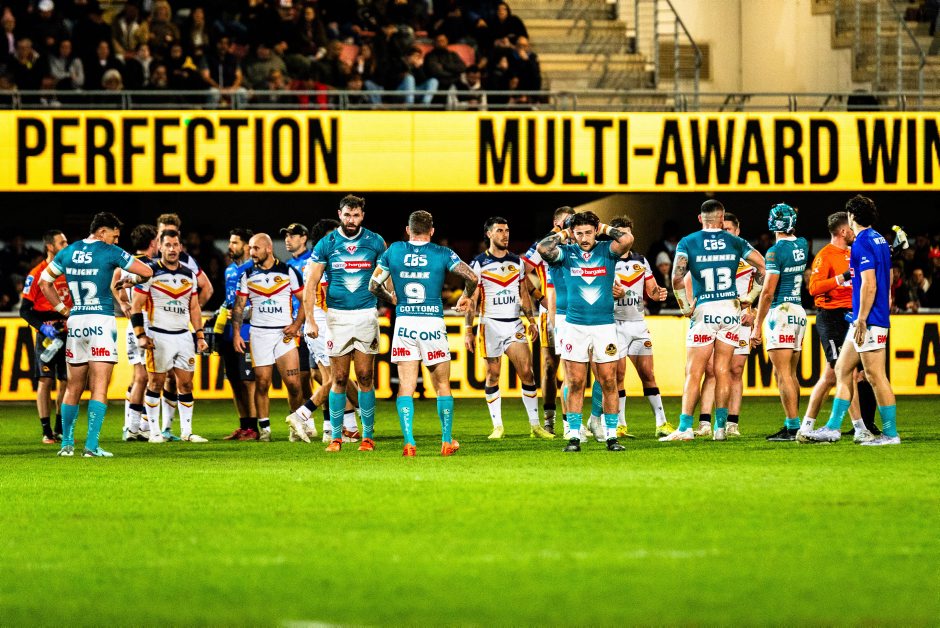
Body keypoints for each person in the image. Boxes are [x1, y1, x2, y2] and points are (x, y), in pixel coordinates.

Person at [38, 212, 154, 457]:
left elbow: (44, 283)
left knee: (73, 386)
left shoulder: (68, 251)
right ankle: (91, 446)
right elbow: (147, 271)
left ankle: (66, 444)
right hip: (101, 321)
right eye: (115, 235)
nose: (116, 240)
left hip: (76, 322)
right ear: (102, 232)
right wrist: (130, 281)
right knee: (99, 386)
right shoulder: (110, 252)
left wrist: (63, 310)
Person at [369, 210, 479, 456]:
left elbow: (374, 285)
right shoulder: (442, 253)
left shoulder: (394, 250)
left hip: (405, 323)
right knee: (442, 385)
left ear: (408, 230)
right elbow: (472, 277)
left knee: (406, 386)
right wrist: (465, 296)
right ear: (432, 231)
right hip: (432, 323)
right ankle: (446, 441)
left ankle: (409, 442)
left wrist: (391, 298)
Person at [661, 200, 765, 442]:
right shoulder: (736, 241)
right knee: (722, 370)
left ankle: (685, 428)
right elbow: (763, 266)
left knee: (694, 372)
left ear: (700, 218)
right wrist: (749, 298)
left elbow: (676, 278)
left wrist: (685, 307)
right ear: (721, 218)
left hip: (705, 309)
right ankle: (720, 428)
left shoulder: (688, 241)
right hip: (730, 310)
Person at [801, 195, 900, 446]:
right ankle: (833, 428)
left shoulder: (862, 242)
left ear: (852, 216)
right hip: (866, 317)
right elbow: (886, 278)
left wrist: (863, 319)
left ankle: (890, 434)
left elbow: (869, 284)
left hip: (868, 320)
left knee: (875, 376)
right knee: (842, 370)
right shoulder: (879, 239)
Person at [536, 210, 635, 453]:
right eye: (579, 233)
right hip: (574, 326)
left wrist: (603, 228)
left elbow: (627, 239)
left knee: (609, 380)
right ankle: (574, 436)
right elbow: (542, 248)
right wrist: (565, 233)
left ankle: (611, 436)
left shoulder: (606, 250)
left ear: (595, 231)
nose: (584, 238)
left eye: (588, 232)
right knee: (576, 381)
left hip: (604, 326)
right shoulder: (566, 254)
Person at [303, 195, 385, 452]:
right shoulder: (327, 244)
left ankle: (367, 437)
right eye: (347, 215)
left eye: (356, 215)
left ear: (363, 216)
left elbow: (387, 276)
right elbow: (310, 285)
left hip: (366, 315)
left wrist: (394, 298)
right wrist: (310, 320)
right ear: (340, 214)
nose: (351, 220)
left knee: (365, 376)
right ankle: (336, 437)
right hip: (337, 318)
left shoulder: (375, 241)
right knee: (338, 377)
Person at [465, 217, 551, 440]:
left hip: (514, 324)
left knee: (527, 373)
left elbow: (523, 293)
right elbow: (472, 299)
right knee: (493, 374)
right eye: (500, 231)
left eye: (507, 230)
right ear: (489, 234)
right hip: (489, 325)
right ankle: (498, 426)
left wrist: (531, 320)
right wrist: (468, 329)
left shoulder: (517, 262)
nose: (505, 235)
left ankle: (535, 426)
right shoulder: (478, 263)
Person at [588, 215, 674, 439]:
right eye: (621, 233)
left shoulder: (641, 261)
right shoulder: (604, 260)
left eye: (628, 233)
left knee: (648, 374)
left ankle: (661, 423)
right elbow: (594, 293)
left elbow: (652, 290)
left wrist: (659, 293)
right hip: (614, 325)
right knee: (618, 376)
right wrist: (611, 294)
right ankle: (620, 425)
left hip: (638, 325)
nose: (625, 237)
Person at [800, 212, 876, 442]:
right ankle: (860, 428)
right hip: (831, 317)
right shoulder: (825, 255)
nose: (854, 232)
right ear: (843, 231)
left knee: (831, 376)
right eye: (851, 228)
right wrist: (842, 277)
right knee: (846, 373)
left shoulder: (853, 253)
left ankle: (806, 427)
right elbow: (814, 288)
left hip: (849, 318)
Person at [131, 229, 208, 443]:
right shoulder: (150, 272)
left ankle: (186, 432)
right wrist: (140, 334)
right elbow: (136, 305)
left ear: (180, 247)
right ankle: (154, 432)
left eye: (175, 245)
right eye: (168, 245)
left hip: (183, 336)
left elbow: (194, 307)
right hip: (159, 335)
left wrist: (199, 335)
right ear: (160, 247)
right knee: (155, 383)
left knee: (186, 384)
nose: (172, 249)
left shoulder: (189, 275)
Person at [290, 219, 362, 444]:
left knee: (333, 378)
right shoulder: (320, 262)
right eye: (334, 235)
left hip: (323, 324)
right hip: (323, 326)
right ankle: (302, 414)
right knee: (337, 378)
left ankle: (342, 428)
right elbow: (313, 295)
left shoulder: (323, 259)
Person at [231, 233, 305, 442]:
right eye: (251, 248)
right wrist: (237, 333)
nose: (251, 252)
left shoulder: (288, 271)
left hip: (284, 334)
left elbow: (305, 300)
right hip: (259, 334)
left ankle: (296, 426)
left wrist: (296, 325)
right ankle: (265, 430)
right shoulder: (246, 274)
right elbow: (239, 306)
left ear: (269, 249)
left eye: (256, 248)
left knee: (294, 384)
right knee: (262, 383)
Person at [694, 212, 756, 437]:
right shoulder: (711, 256)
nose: (726, 233)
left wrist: (754, 312)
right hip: (715, 318)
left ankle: (732, 423)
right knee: (711, 370)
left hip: (741, 320)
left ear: (737, 231)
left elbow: (766, 284)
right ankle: (704, 422)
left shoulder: (749, 259)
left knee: (736, 370)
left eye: (729, 229)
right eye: (723, 229)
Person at [751, 204, 810, 441]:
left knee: (782, 373)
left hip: (781, 312)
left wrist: (757, 325)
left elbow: (767, 293)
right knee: (790, 373)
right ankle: (793, 423)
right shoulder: (803, 244)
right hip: (798, 311)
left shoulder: (775, 252)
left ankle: (793, 427)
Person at [523, 206, 574, 436]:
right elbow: (520, 271)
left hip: (576, 311)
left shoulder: (577, 244)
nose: (569, 225)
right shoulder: (542, 246)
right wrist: (539, 296)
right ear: (556, 223)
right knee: (549, 367)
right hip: (550, 312)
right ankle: (549, 421)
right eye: (566, 221)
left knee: (573, 368)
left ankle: (572, 422)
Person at [20, 229, 70, 444]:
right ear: (50, 247)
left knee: (66, 381)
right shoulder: (37, 273)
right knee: (45, 380)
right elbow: (25, 310)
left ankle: (60, 428)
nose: (66, 246)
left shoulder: (70, 271)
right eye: (62, 243)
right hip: (48, 336)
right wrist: (42, 328)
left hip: (68, 332)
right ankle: (46, 430)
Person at [214, 228, 259, 441]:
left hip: (248, 331)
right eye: (230, 242)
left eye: (234, 242)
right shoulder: (230, 270)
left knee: (248, 381)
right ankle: (243, 425)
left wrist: (244, 312)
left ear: (247, 246)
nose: (230, 246)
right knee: (234, 380)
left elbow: (259, 301)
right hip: (230, 332)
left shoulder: (255, 269)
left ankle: (253, 428)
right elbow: (229, 300)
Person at [116, 224, 159, 442]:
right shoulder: (149, 266)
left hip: (132, 326)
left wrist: (123, 303)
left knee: (139, 376)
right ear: (152, 242)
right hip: (147, 323)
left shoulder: (126, 263)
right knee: (152, 377)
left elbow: (114, 283)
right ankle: (144, 426)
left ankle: (132, 427)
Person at [281, 222, 315, 402]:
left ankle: (348, 406)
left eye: (292, 236)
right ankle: (306, 413)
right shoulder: (287, 265)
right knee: (297, 377)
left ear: (303, 238)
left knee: (316, 374)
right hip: (293, 326)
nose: (287, 239)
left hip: (311, 324)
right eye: (286, 236)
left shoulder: (313, 261)